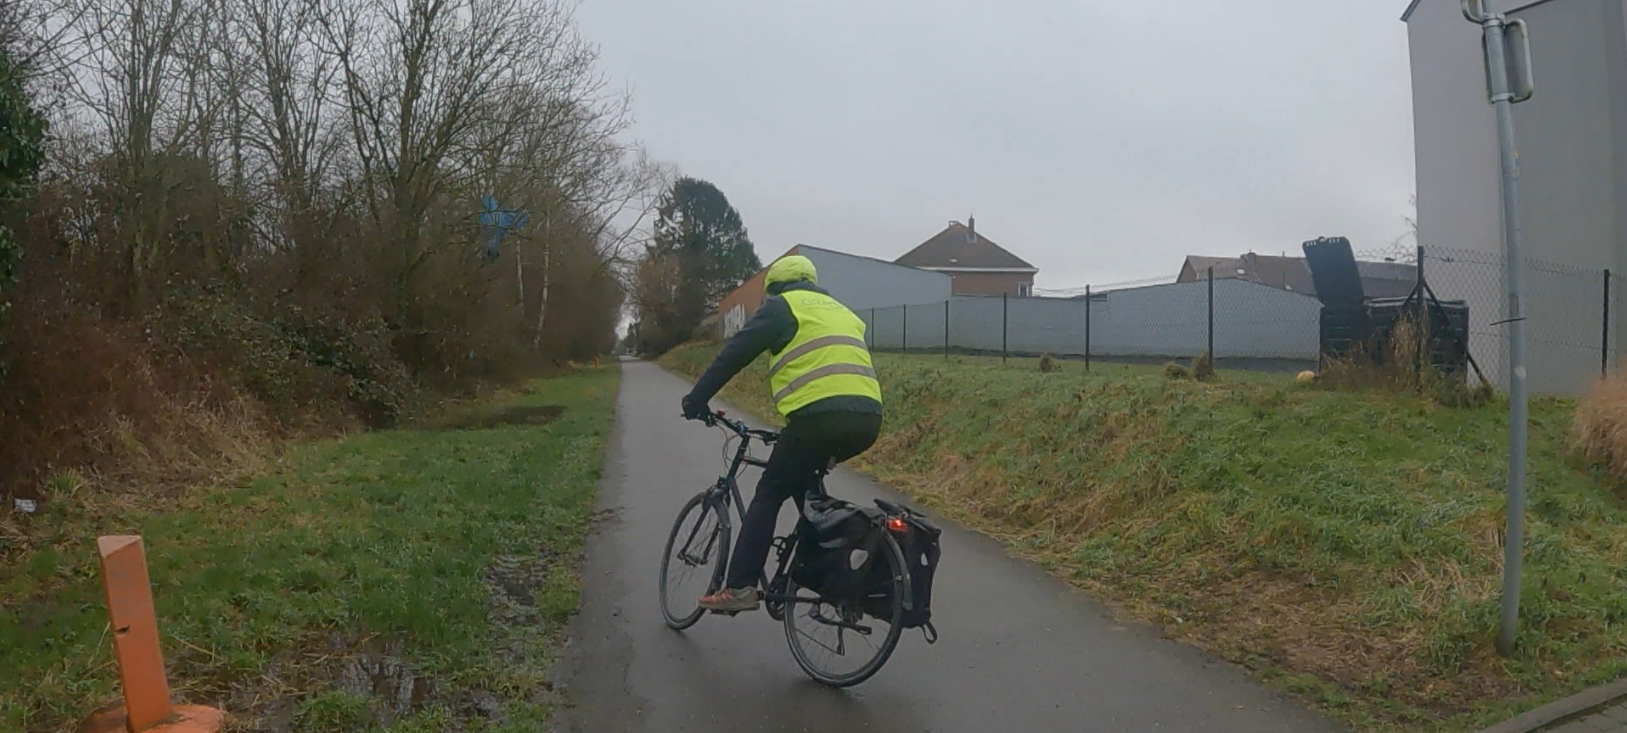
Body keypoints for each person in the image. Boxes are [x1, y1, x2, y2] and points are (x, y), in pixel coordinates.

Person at [682, 255, 884, 612]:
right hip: (867, 420)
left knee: (770, 491)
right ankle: (826, 575)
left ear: (773, 288)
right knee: (808, 491)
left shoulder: (781, 306)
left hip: (819, 419)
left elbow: (733, 354)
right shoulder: (841, 310)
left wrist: (696, 400)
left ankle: (740, 588)